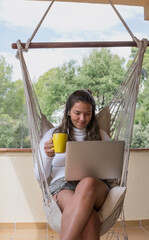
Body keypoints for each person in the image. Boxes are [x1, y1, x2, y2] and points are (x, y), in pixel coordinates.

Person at [35, 89, 111, 240]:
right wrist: (47, 157)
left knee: (87, 182)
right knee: (90, 218)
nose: (82, 118)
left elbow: (111, 169)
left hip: (95, 187)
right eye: (77, 113)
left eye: (87, 114)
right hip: (63, 186)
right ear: (69, 111)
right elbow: (40, 177)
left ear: (92, 113)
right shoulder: (51, 135)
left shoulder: (101, 136)